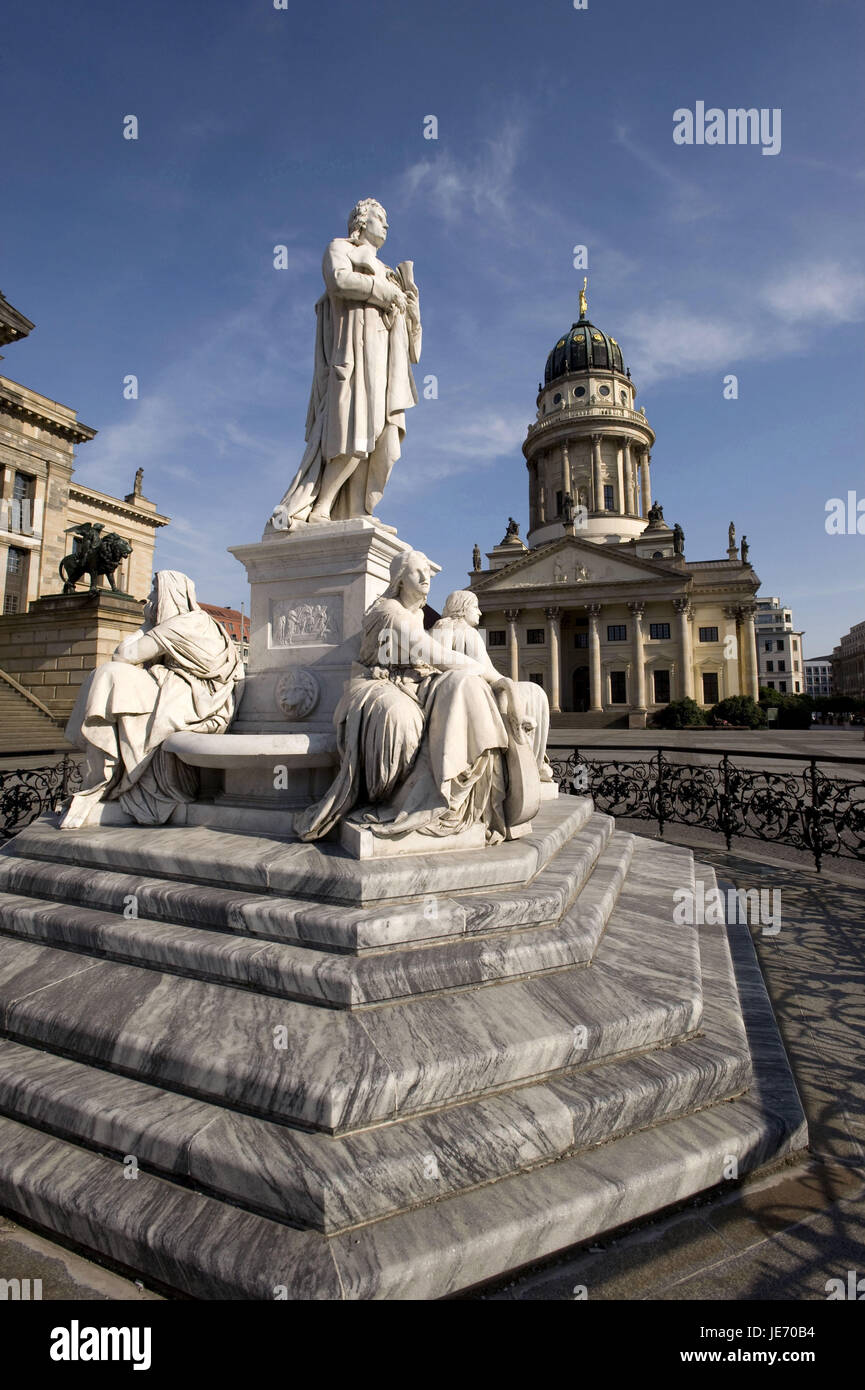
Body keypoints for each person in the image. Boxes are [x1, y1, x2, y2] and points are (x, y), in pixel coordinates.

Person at [295, 550, 533, 843]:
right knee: (402, 720)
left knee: (464, 686)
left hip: (414, 681)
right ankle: (394, 797)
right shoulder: (388, 612)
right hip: (376, 684)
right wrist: (498, 679)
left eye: (428, 573)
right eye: (416, 572)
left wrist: (495, 682)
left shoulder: (418, 613)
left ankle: (458, 792)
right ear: (398, 579)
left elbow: (433, 662)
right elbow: (436, 655)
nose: (425, 578)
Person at [270, 198, 421, 531]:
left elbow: (412, 342)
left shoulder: (389, 271)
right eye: (381, 218)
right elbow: (338, 280)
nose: (387, 225)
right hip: (353, 353)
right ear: (362, 221)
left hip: (383, 359)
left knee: (381, 435)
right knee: (355, 430)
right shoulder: (340, 248)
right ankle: (322, 506)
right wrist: (382, 290)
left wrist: (409, 299)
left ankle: (354, 508)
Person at [61, 570, 242, 828]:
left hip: (193, 700)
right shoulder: (198, 621)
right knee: (108, 677)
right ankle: (109, 776)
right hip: (186, 693)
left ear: (169, 595)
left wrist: (145, 626)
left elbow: (124, 654)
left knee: (109, 674)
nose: (149, 596)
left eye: (155, 590)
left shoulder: (180, 625)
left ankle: (107, 779)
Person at [432, 590, 554, 784]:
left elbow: (490, 670)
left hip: (489, 683)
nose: (480, 612)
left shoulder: (473, 634)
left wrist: (507, 684)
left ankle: (534, 762)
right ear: (462, 608)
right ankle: (527, 762)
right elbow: (437, 660)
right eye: (475, 607)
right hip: (471, 686)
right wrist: (504, 684)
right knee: (522, 693)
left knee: (535, 691)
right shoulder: (445, 626)